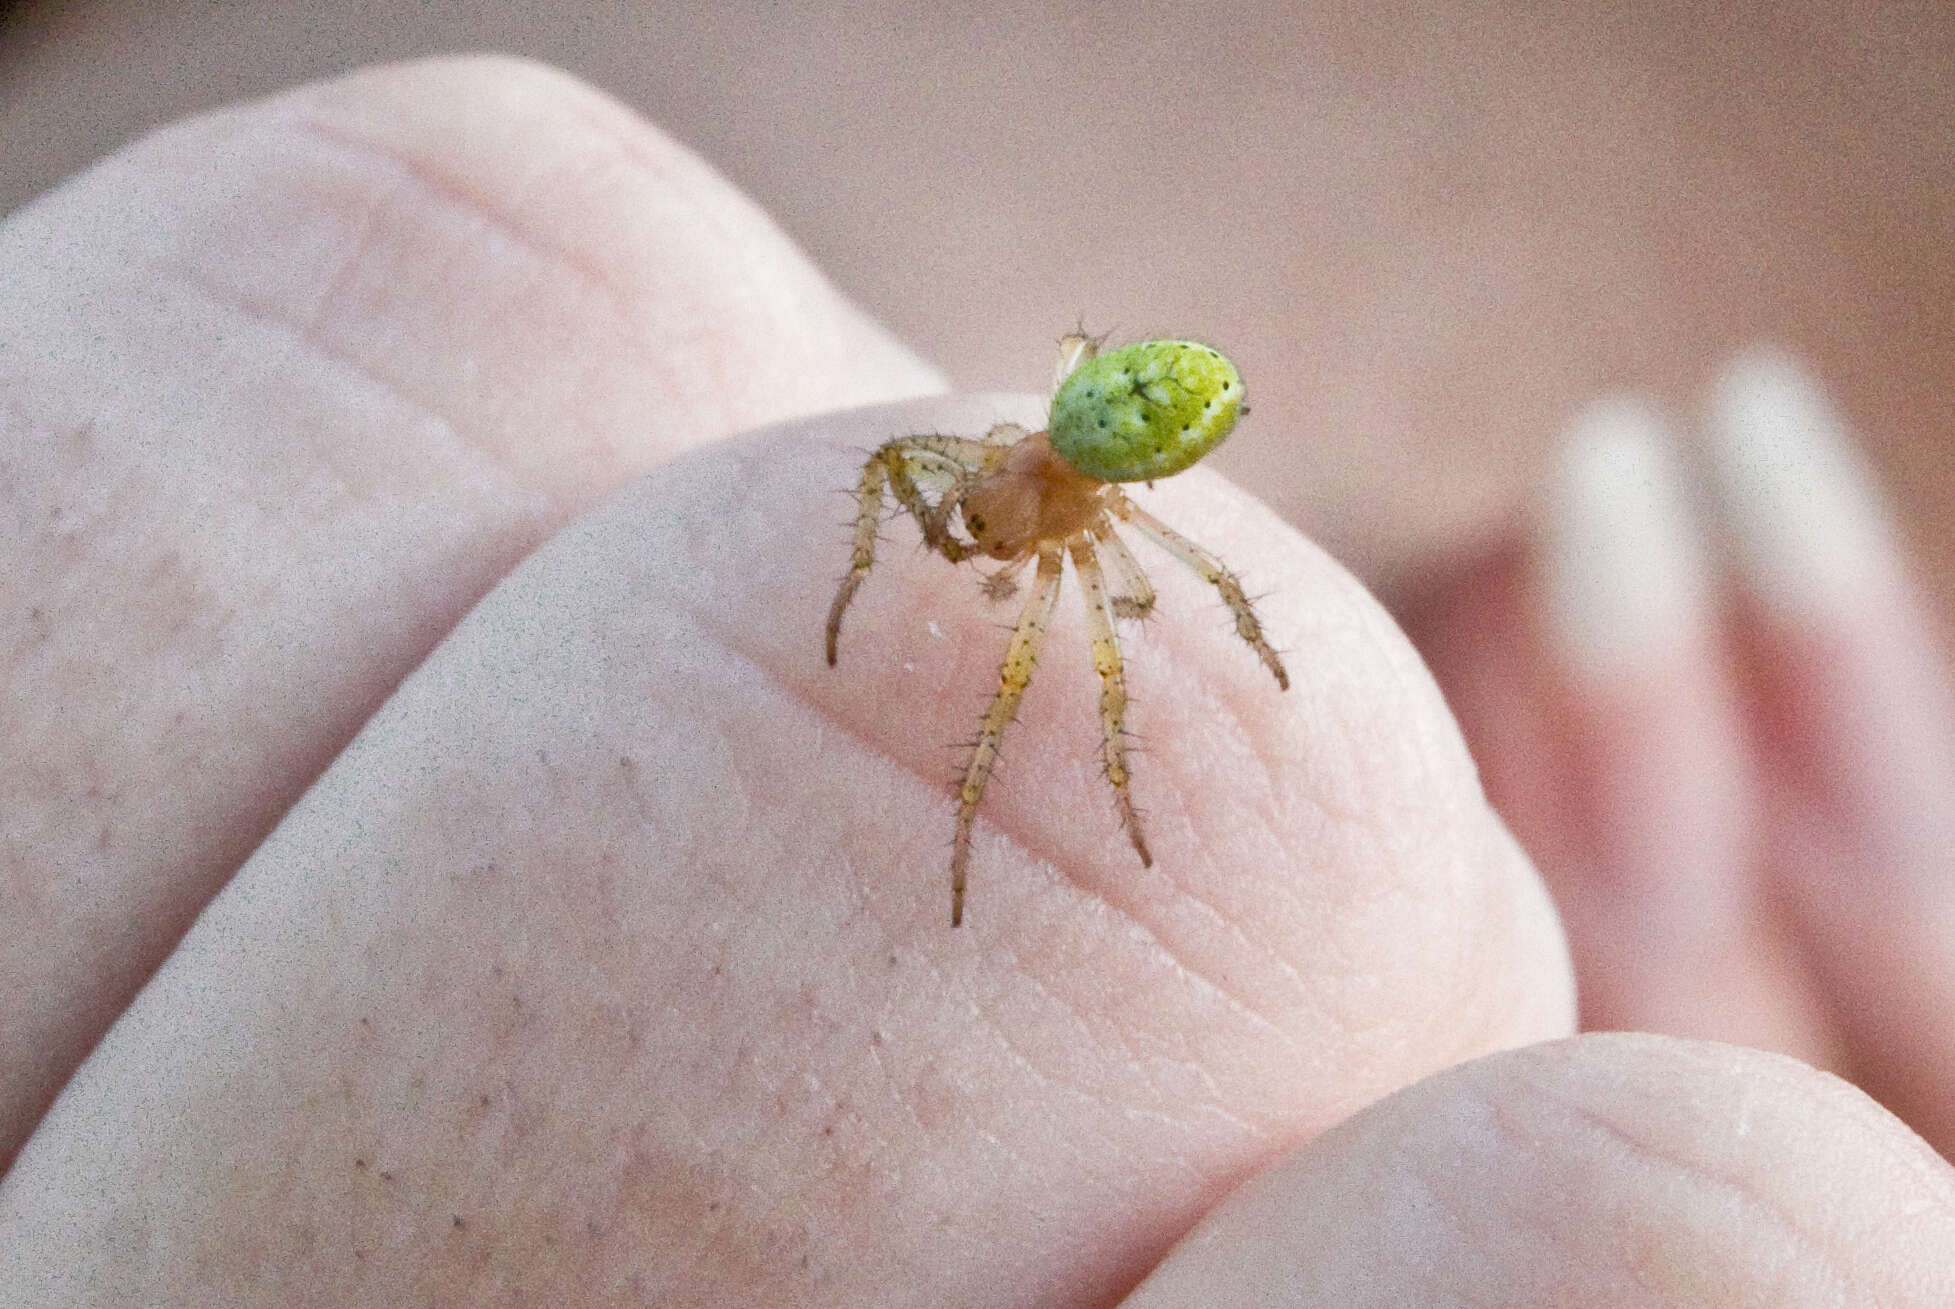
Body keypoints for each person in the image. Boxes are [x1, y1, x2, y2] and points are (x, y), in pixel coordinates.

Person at [1, 56, 1950, 1305]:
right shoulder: (969, 459)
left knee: (1101, 688)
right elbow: (893, 479)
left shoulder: (1102, 520)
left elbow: (1138, 621)